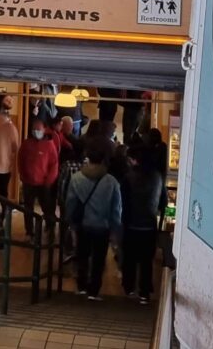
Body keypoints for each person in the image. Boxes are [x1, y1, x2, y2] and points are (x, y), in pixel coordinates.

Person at [66, 147, 122, 300]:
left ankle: (81, 286)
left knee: (82, 255)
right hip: (102, 226)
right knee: (98, 259)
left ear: (88, 159)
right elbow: (116, 209)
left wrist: (71, 221)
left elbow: (70, 202)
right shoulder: (111, 182)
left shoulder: (76, 178)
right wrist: (115, 229)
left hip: (83, 224)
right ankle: (93, 290)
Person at [121, 146, 165, 305]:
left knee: (130, 259)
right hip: (149, 226)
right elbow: (163, 202)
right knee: (147, 261)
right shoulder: (157, 177)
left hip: (131, 225)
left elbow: (123, 203)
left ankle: (129, 288)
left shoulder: (128, 177)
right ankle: (144, 293)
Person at [18, 119, 59, 240]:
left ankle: (50, 228)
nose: (36, 131)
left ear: (44, 130)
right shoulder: (26, 144)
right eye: (34, 129)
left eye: (38, 129)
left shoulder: (49, 145)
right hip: (28, 182)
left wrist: (48, 182)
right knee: (28, 209)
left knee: (47, 208)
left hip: (44, 184)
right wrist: (23, 176)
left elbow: (54, 165)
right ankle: (29, 232)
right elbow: (21, 161)